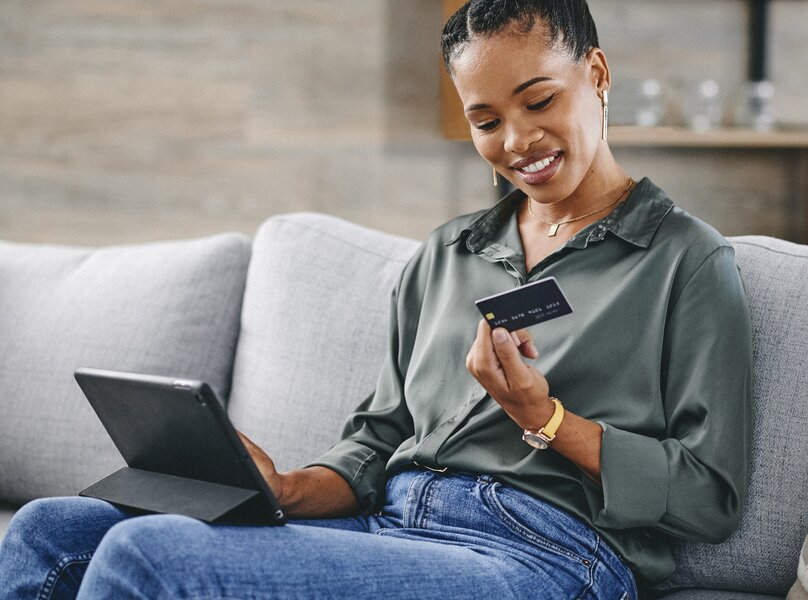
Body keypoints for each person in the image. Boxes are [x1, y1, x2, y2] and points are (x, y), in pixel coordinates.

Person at [0, 1, 753, 598]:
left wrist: (544, 419)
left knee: (149, 556)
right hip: (394, 525)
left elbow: (709, 496)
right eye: (486, 121)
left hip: (547, 557)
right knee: (47, 530)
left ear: (595, 73)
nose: (517, 140)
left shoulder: (683, 260)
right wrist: (287, 489)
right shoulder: (447, 256)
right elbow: (378, 440)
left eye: (538, 100)